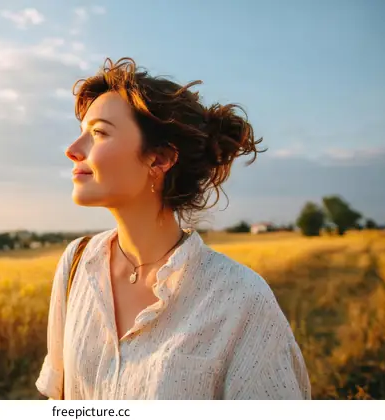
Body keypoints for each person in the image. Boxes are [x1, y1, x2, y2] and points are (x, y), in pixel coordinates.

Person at [35, 57, 311, 400]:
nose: (73, 150)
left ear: (160, 159)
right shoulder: (76, 264)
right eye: (81, 133)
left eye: (99, 133)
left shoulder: (241, 299)